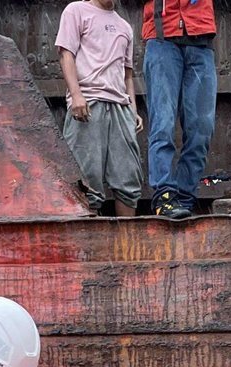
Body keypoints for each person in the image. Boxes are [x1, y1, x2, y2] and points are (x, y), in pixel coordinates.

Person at [57, 0, 145, 216]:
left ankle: (127, 236)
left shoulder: (125, 26)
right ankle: (85, 237)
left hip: (120, 108)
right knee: (85, 182)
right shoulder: (76, 11)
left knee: (128, 180)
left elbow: (127, 75)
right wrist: (76, 95)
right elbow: (66, 54)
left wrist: (132, 110)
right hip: (88, 104)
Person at [141, 0, 218, 220]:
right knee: (163, 124)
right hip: (162, 38)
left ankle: (185, 198)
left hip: (201, 41)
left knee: (202, 129)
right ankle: (164, 196)